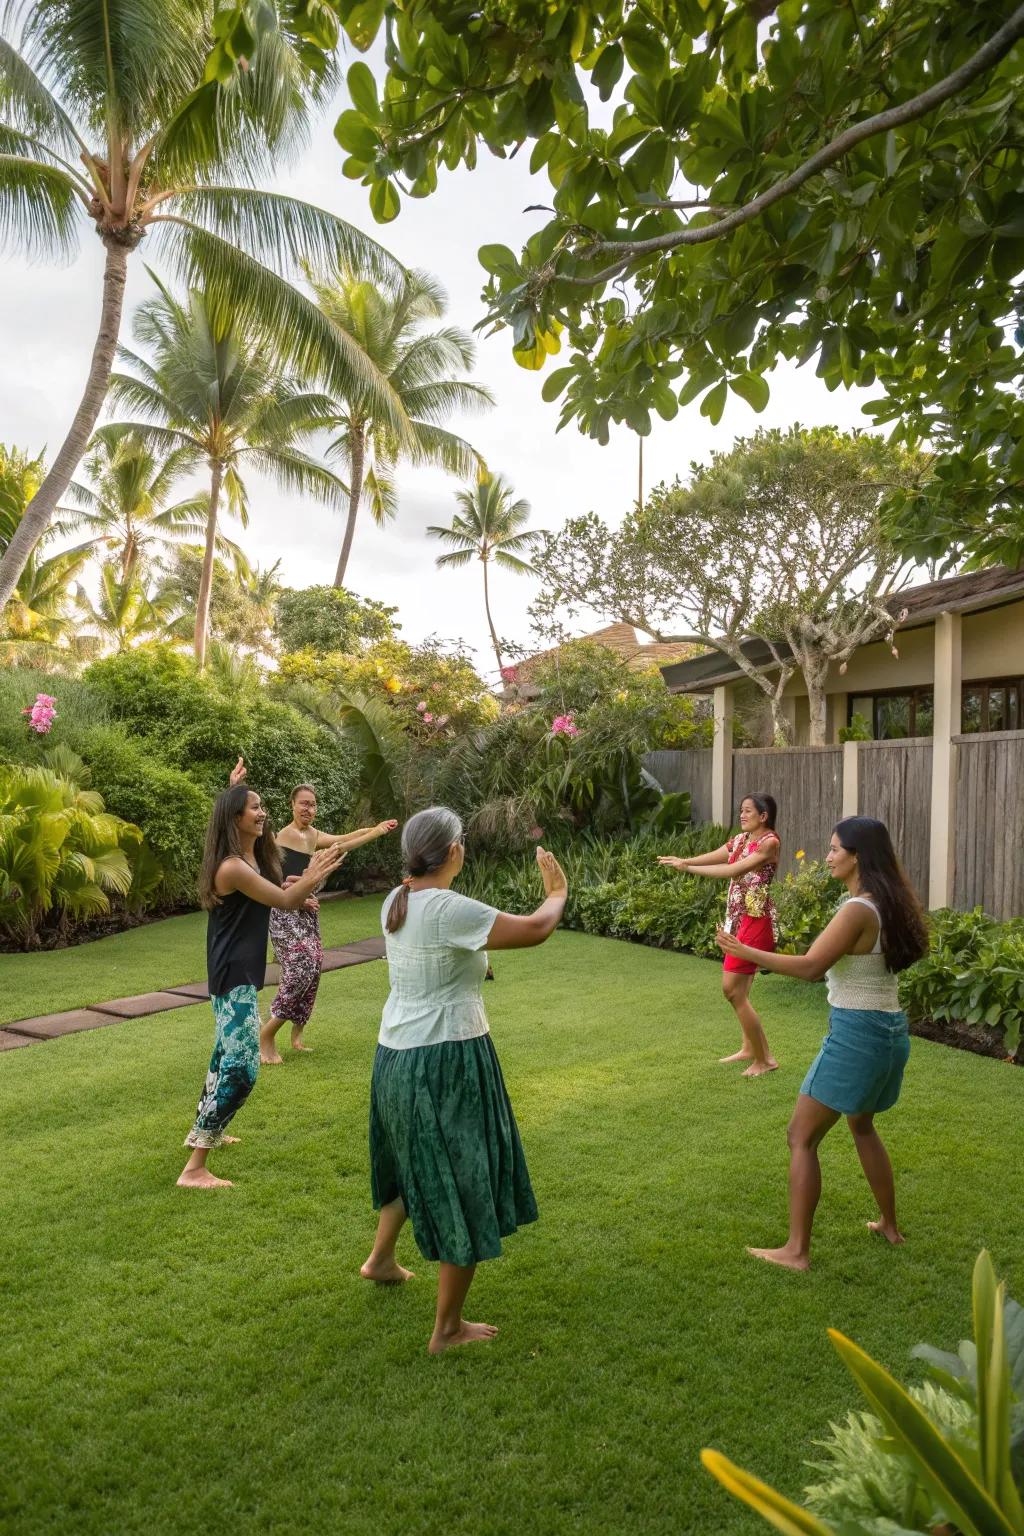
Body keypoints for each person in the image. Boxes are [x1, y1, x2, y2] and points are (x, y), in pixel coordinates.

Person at [359, 806, 568, 1355]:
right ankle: (447, 1329)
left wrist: (475, 965)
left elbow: (432, 958)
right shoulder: (450, 907)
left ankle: (381, 1259)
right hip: (445, 1059)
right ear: (452, 852)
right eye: (464, 843)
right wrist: (556, 892)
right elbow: (537, 929)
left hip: (395, 1057)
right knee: (462, 1174)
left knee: (411, 1162)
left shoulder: (396, 899)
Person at [716, 815, 928, 1271]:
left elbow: (812, 967)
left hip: (857, 1035)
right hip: (890, 1032)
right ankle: (889, 1226)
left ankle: (796, 1251)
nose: (827, 856)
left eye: (835, 849)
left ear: (858, 857)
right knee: (862, 1125)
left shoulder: (857, 910)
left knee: (801, 1136)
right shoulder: (888, 903)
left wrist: (745, 950)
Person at [177, 785, 345, 1190]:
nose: (262, 813)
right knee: (242, 1066)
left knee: (222, 1058)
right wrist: (314, 876)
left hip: (241, 968)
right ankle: (195, 1169)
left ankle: (207, 1132)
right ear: (235, 818)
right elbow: (283, 901)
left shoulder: (251, 856)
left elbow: (276, 890)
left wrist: (295, 885)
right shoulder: (232, 866)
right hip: (232, 970)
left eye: (262, 806)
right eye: (254, 808)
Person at [260, 782, 399, 1064]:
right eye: (303, 804)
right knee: (301, 968)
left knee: (314, 967)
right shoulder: (284, 837)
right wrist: (375, 833)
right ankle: (266, 1035)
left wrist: (376, 828)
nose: (309, 809)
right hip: (285, 911)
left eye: (312, 804)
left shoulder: (311, 834)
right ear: (292, 805)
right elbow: (277, 883)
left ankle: (296, 1035)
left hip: (308, 911)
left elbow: (346, 837)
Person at [658, 792, 781, 1076]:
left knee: (731, 989)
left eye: (748, 811)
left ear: (763, 816)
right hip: (737, 920)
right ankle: (750, 1049)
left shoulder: (769, 843)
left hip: (756, 919)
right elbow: (719, 855)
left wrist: (688, 868)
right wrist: (684, 860)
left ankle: (766, 1060)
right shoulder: (740, 840)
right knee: (741, 990)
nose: (742, 815)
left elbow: (732, 870)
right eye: (741, 810)